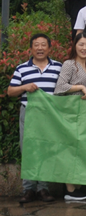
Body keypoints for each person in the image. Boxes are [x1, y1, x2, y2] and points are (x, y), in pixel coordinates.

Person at [8, 34, 63, 204]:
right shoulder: (22, 68)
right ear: (31, 49)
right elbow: (10, 91)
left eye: (43, 45)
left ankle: (43, 189)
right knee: (28, 150)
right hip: (29, 113)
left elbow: (64, 88)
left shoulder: (58, 67)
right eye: (36, 45)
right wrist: (24, 87)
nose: (40, 48)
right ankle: (28, 189)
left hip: (50, 115)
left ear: (49, 48)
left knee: (47, 149)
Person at [53, 33, 86, 200]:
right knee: (69, 148)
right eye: (81, 44)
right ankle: (69, 190)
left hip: (85, 114)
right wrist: (80, 88)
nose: (84, 48)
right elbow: (60, 87)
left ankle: (77, 187)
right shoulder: (69, 64)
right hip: (70, 112)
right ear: (75, 46)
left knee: (80, 149)